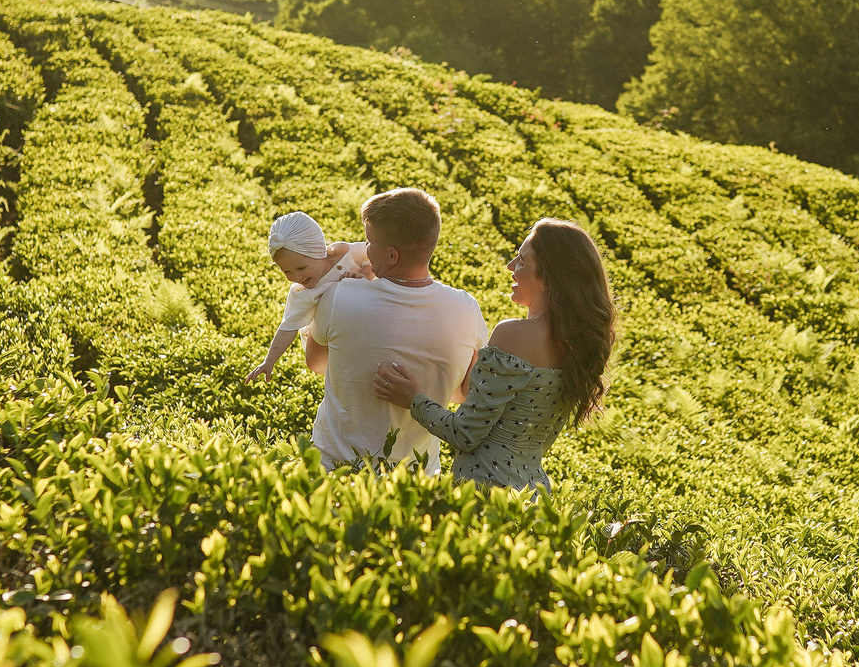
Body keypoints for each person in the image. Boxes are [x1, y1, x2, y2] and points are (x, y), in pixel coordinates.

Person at [372, 218, 616, 492]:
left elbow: (464, 434)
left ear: (548, 278)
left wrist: (413, 398)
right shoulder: (577, 345)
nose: (511, 266)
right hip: (532, 494)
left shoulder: (514, 334)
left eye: (522, 261)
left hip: (486, 495)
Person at [304, 188, 488, 473]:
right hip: (415, 479)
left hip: (335, 471)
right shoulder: (467, 308)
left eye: (369, 241)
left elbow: (315, 363)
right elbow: (464, 393)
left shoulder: (341, 297)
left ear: (391, 255)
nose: (363, 249)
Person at [248, 211, 371, 381]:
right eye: (287, 271)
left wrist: (366, 274)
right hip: (326, 345)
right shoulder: (302, 292)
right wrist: (268, 361)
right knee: (348, 372)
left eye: (301, 268)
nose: (296, 277)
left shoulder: (346, 254)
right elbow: (288, 326)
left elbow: (371, 254)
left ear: (319, 251)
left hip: (364, 318)